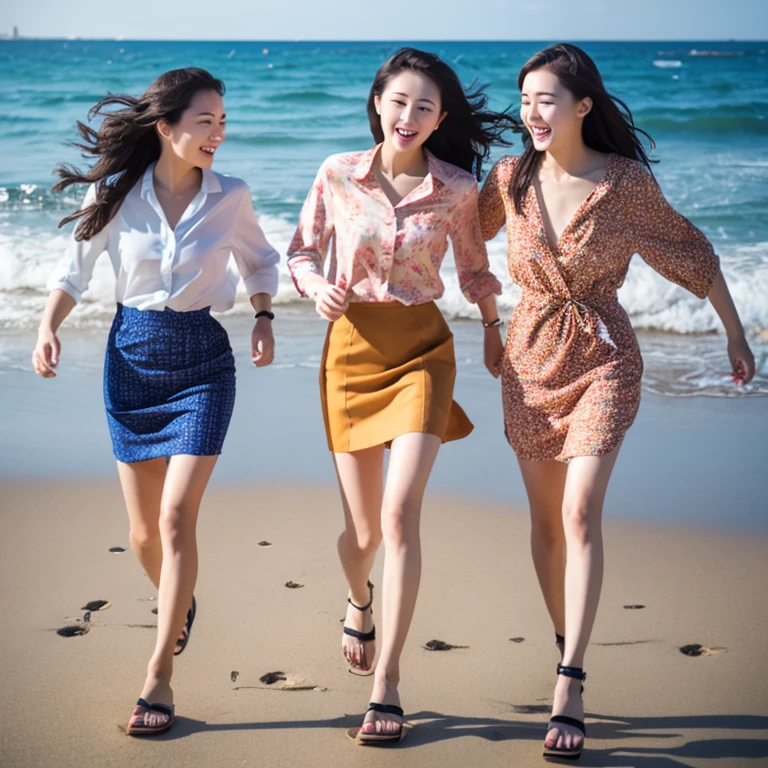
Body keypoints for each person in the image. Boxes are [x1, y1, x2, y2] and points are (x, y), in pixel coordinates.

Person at [478, 43, 755, 760]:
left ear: (583, 107)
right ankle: (566, 639)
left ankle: (569, 679)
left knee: (577, 511)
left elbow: (689, 252)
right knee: (543, 523)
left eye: (547, 99)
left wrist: (735, 334)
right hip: (529, 358)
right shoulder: (508, 178)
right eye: (527, 99)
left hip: (604, 355)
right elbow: (452, 228)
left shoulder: (625, 183)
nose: (533, 113)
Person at [31, 67, 279, 736]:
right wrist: (47, 325)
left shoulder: (231, 197)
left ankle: (158, 675)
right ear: (167, 129)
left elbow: (260, 261)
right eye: (206, 122)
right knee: (143, 535)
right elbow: (73, 271)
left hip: (203, 362)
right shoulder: (117, 198)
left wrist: (263, 316)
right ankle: (182, 601)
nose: (218, 134)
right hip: (130, 364)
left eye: (223, 122)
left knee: (174, 522)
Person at [287, 48, 514, 744]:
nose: (409, 116)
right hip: (351, 351)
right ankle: (360, 601)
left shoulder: (456, 187)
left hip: (423, 351)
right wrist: (313, 286)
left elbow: (475, 270)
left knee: (401, 513)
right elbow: (300, 250)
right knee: (362, 536)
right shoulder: (336, 173)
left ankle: (387, 685)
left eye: (425, 106)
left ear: (441, 117)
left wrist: (493, 329)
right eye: (398, 101)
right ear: (377, 103)